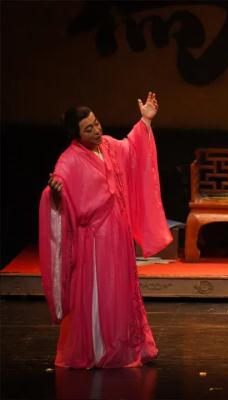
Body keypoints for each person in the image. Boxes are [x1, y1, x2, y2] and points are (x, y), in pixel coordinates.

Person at [39, 92, 172, 369]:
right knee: (102, 293)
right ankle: (99, 349)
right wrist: (55, 194)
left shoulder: (108, 146)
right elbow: (58, 192)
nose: (97, 130)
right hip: (95, 242)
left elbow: (132, 148)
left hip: (118, 234)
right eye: (88, 129)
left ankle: (126, 345)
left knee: (121, 290)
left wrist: (145, 121)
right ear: (76, 135)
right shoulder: (69, 160)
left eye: (97, 123)